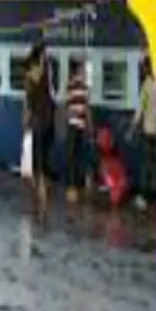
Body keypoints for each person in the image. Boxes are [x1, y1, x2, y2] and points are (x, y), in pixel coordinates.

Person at [24, 43, 55, 218]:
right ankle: (42, 197)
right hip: (48, 121)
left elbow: (28, 104)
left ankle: (40, 199)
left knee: (39, 161)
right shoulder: (46, 75)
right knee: (44, 159)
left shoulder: (31, 78)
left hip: (39, 122)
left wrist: (26, 122)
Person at [130, 55, 156, 209]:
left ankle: (143, 197)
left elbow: (140, 109)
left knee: (145, 165)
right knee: (155, 164)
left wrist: (132, 127)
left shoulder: (147, 84)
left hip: (149, 130)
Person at [64, 59, 92, 203]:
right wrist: (89, 126)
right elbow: (87, 108)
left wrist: (64, 121)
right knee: (79, 155)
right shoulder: (85, 87)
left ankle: (72, 188)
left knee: (71, 157)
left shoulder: (70, 85)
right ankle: (80, 184)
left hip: (72, 125)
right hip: (81, 125)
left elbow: (67, 106)